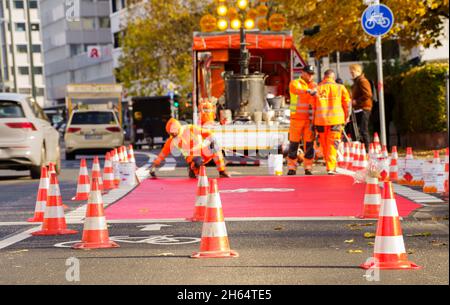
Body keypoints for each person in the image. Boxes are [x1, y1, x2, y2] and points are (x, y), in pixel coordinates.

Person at [150, 118, 230, 178]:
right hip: (192, 158)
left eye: (173, 132)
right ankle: (193, 170)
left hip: (202, 151)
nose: (173, 134)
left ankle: (222, 171)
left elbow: (206, 132)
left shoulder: (190, 128)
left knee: (214, 147)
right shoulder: (172, 140)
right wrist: (154, 165)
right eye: (170, 133)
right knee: (198, 166)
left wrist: (212, 139)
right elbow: (163, 153)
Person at [312, 69, 351, 175]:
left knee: (324, 144)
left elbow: (313, 107)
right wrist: (347, 116)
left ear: (324, 77)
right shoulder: (340, 88)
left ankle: (329, 165)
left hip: (320, 121)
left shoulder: (317, 88)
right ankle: (331, 167)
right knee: (333, 144)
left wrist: (312, 122)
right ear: (333, 78)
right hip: (336, 121)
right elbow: (347, 104)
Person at [287, 65, 317, 176]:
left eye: (312, 74)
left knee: (309, 145)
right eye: (308, 73)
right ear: (303, 73)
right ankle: (291, 167)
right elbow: (296, 90)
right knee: (293, 145)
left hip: (309, 120)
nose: (310, 76)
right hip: (296, 119)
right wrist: (308, 91)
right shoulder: (295, 83)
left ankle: (308, 167)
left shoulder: (315, 85)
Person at [349, 64, 373, 151]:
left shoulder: (362, 81)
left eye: (353, 70)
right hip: (359, 109)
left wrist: (356, 101)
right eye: (350, 71)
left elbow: (368, 94)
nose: (351, 72)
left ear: (358, 71)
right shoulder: (357, 82)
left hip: (364, 108)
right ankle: (363, 150)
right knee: (357, 131)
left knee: (363, 130)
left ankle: (367, 150)